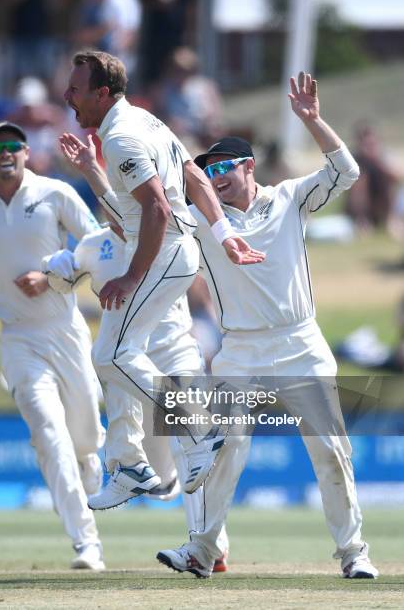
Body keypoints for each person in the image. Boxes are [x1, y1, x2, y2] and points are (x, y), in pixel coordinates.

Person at [155, 72, 379, 579]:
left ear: (248, 166)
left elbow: (346, 171)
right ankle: (202, 550)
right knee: (224, 449)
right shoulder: (202, 218)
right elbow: (148, 209)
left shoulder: (288, 198)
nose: (216, 177)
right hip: (240, 350)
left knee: (330, 451)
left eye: (225, 167)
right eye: (208, 170)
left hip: (300, 341)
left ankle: (354, 553)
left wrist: (313, 121)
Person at [61, 50, 265, 510]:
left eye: (75, 89)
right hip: (167, 249)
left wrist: (132, 276)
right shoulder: (145, 121)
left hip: (163, 256)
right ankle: (129, 463)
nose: (67, 97)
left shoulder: (122, 137)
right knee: (115, 358)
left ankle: (196, 428)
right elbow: (192, 172)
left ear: (101, 93)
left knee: (111, 354)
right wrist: (223, 230)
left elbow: (156, 208)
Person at [43, 216, 230, 572]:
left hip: (175, 349)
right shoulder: (93, 245)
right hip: (131, 369)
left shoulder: (162, 234)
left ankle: (207, 547)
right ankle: (148, 473)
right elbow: (61, 283)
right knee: (165, 470)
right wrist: (53, 267)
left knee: (188, 443)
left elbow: (207, 266)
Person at [0, 121, 106, 570]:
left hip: (64, 329)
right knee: (49, 435)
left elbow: (96, 244)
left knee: (83, 441)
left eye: (13, 146)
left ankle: (89, 460)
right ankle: (86, 543)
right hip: (18, 339)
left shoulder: (55, 193)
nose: (6, 153)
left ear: (26, 152)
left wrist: (52, 278)